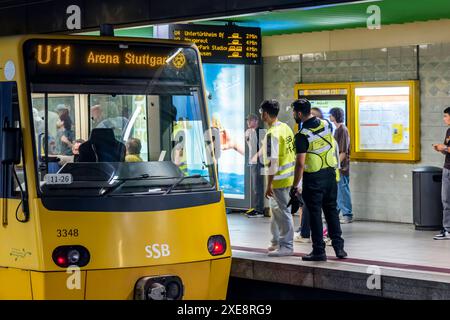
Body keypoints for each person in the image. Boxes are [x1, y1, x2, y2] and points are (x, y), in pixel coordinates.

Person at [291, 98, 347, 261]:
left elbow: (300, 163)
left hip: (313, 178)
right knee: (331, 212)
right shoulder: (326, 124)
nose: (294, 115)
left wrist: (295, 186)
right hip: (330, 174)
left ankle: (318, 251)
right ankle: (339, 248)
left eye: (294, 112)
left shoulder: (302, 135)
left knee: (315, 214)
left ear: (299, 114)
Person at [259, 99, 295, 257]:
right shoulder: (285, 128)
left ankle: (287, 246)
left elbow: (273, 162)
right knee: (276, 211)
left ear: (265, 114)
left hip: (279, 180)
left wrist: (269, 185)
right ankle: (275, 242)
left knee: (283, 212)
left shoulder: (271, 135)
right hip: (289, 177)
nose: (261, 116)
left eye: (261, 113)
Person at [330, 107, 353, 224]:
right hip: (338, 166)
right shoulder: (336, 130)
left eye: (331, 115)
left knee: (343, 190)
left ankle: (347, 214)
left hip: (342, 167)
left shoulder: (343, 130)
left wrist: (336, 165)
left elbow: (343, 151)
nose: (329, 117)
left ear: (335, 116)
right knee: (338, 191)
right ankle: (338, 213)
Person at [432, 107, 450, 240]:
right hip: (447, 168)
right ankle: (447, 229)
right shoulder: (448, 131)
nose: (444, 119)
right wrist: (441, 149)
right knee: (446, 200)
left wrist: (445, 148)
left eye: (445, 116)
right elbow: (447, 148)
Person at [245, 114, 264, 218]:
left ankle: (259, 210)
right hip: (253, 162)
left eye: (250, 120)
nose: (248, 122)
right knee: (255, 186)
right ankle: (257, 208)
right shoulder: (249, 133)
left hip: (259, 162)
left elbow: (264, 148)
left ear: (256, 121)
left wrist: (256, 158)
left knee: (257, 186)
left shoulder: (261, 132)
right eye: (248, 120)